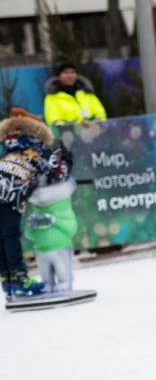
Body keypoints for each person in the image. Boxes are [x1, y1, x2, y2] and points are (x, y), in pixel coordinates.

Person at [0, 108, 69, 298]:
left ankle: (8, 279)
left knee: (3, 237)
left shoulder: (9, 147)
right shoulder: (40, 149)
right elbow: (57, 173)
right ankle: (19, 279)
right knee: (10, 235)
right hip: (10, 196)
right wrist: (66, 160)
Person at [24, 168, 79, 294]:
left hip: (60, 247)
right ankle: (47, 284)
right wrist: (31, 224)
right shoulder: (35, 211)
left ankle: (65, 282)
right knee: (45, 273)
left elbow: (72, 228)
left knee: (62, 269)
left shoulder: (64, 210)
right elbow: (29, 235)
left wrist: (55, 221)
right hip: (40, 250)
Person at [43, 60, 107, 126]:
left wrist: (96, 123)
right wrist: (71, 128)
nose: (70, 76)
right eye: (66, 73)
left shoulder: (87, 93)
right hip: (68, 135)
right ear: (59, 76)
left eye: (72, 72)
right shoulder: (52, 97)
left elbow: (100, 113)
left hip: (93, 133)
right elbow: (53, 120)